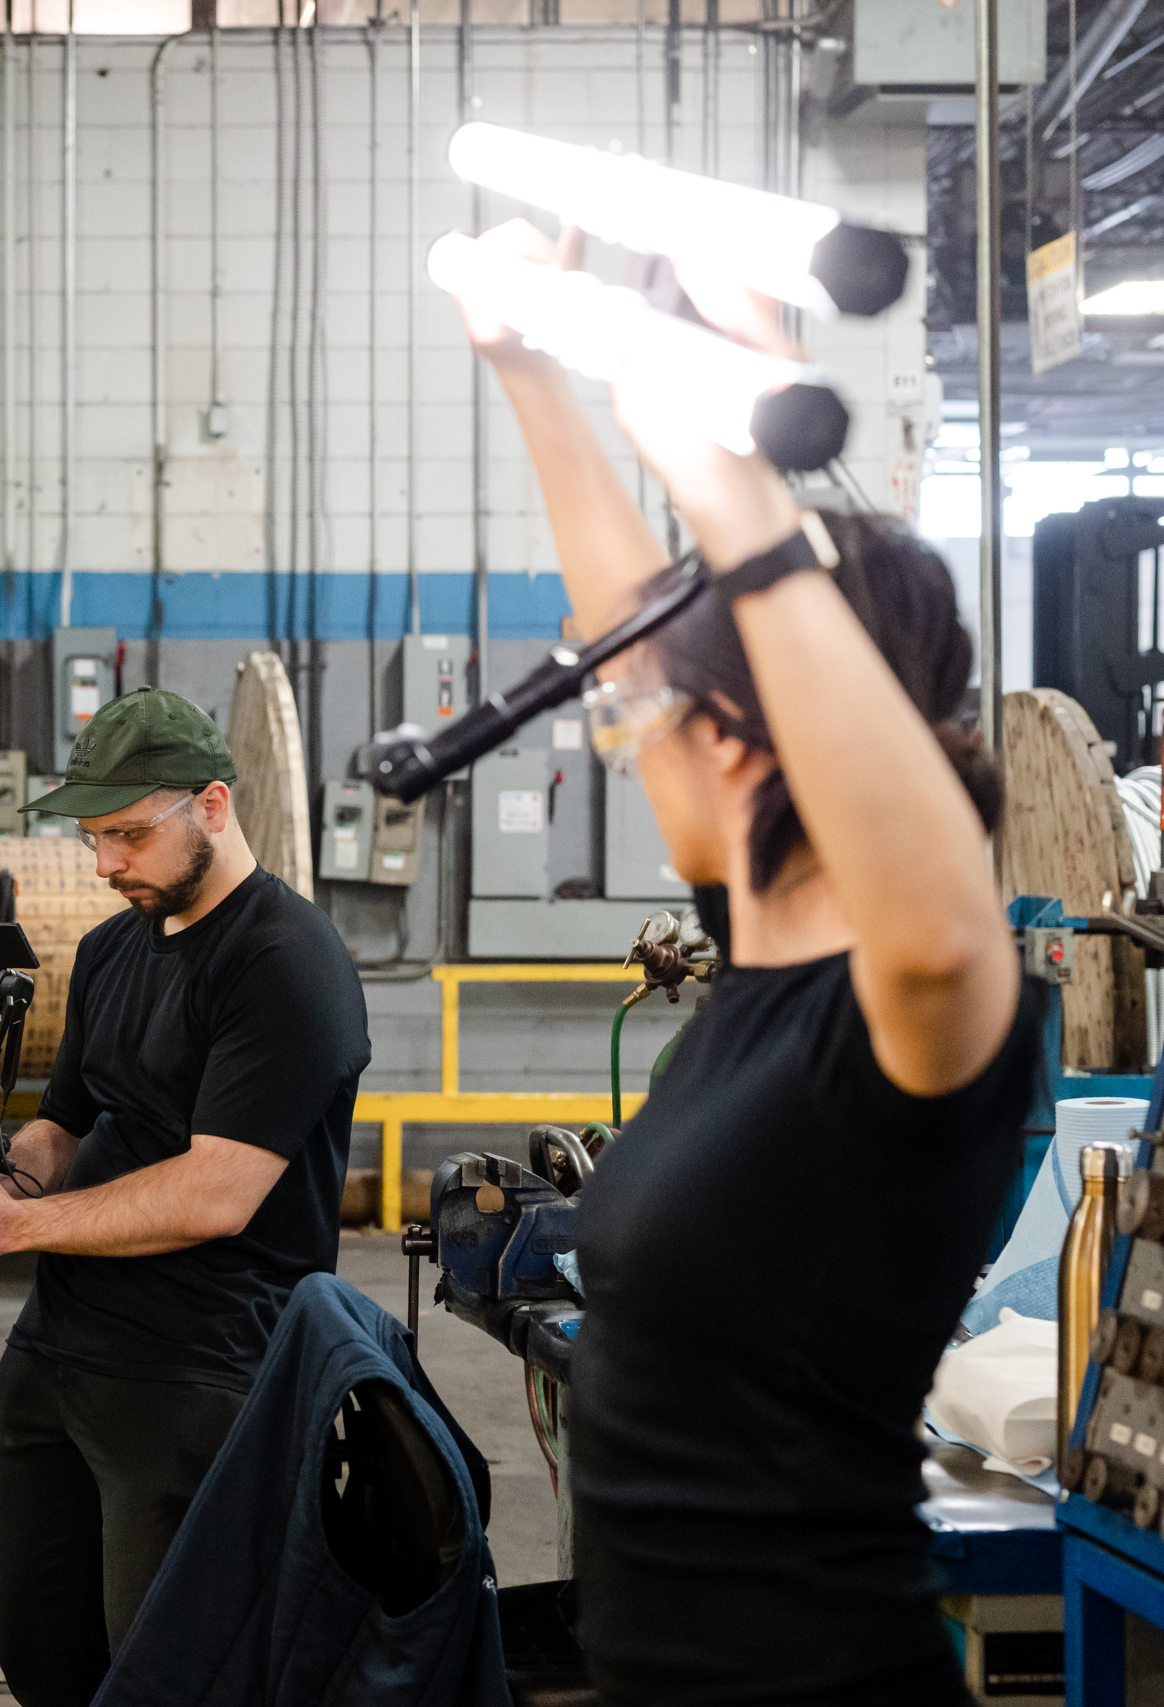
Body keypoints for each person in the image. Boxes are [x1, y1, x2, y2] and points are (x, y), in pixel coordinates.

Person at [456, 221, 1041, 1705]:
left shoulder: (920, 996)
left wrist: (727, 471)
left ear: (749, 737)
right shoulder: (754, 970)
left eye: (663, 717)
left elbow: (925, 881)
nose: (636, 730)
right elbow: (628, 635)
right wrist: (525, 367)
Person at [0, 686, 370, 1707]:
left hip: (197, 1367)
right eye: (91, 838)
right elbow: (67, 1124)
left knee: (172, 1670)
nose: (105, 864)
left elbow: (217, 1191)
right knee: (45, 1655)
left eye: (127, 835)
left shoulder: (285, 962)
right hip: (62, 1346)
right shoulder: (114, 946)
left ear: (212, 805)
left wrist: (24, 1227)